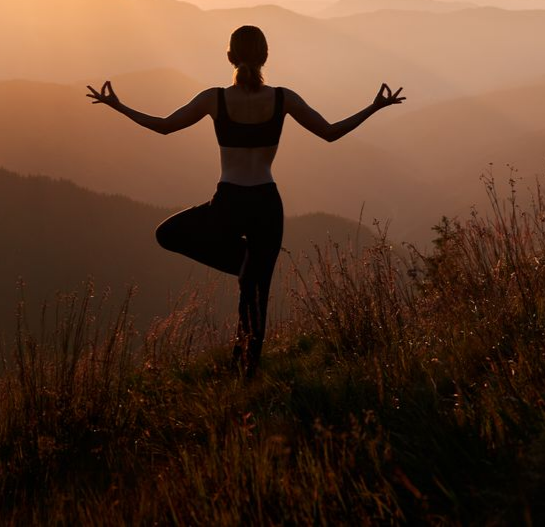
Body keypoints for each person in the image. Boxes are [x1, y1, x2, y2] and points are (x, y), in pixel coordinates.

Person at [87, 25, 405, 377]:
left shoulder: (215, 98)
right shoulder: (284, 99)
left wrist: (118, 107)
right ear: (266, 57)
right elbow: (330, 133)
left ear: (229, 57)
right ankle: (247, 365)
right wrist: (374, 107)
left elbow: (164, 126)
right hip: (267, 205)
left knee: (170, 234)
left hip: (228, 204)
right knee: (257, 292)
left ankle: (242, 305)